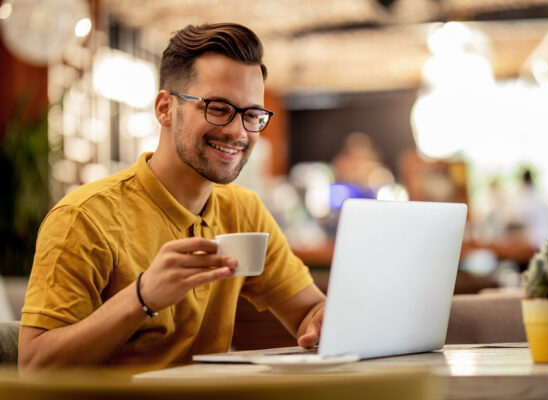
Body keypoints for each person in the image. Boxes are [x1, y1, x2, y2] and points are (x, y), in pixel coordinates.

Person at [18, 23, 326, 371]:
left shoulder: (244, 210)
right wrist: (142, 297)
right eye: (218, 107)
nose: (238, 131)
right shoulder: (85, 218)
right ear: (165, 108)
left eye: (252, 114)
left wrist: (323, 320)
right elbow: (34, 366)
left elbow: (308, 313)